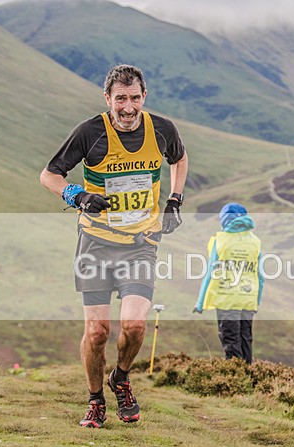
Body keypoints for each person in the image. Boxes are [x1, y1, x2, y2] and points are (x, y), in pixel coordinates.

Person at [39, 64, 188, 428]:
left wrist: (174, 200)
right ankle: (95, 399)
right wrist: (77, 195)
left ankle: (120, 379)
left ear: (144, 97)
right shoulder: (90, 132)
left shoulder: (163, 129)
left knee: (135, 326)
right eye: (120, 99)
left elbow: (179, 159)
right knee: (97, 332)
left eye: (134, 98)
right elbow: (50, 175)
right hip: (95, 243)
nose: (127, 107)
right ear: (108, 99)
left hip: (141, 244)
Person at [193, 203, 264, 364]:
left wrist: (200, 302)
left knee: (231, 340)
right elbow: (260, 276)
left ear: (223, 220)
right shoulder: (255, 242)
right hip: (248, 298)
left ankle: (236, 380)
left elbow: (211, 273)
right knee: (246, 338)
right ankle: (248, 379)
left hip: (227, 298)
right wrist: (256, 301)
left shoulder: (220, 241)